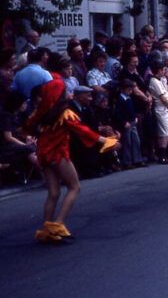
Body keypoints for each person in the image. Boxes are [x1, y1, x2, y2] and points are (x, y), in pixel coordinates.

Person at [23, 75, 114, 244]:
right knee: (74, 187)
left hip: (44, 155)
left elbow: (27, 127)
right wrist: (104, 140)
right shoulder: (65, 113)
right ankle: (58, 224)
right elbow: (82, 130)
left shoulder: (41, 113)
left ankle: (47, 229)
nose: (68, 93)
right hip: (58, 154)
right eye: (65, 91)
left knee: (54, 192)